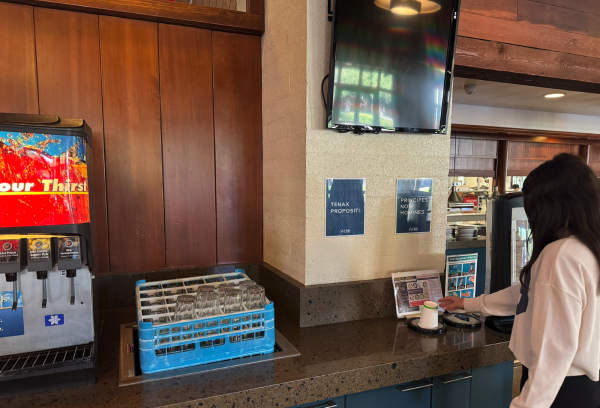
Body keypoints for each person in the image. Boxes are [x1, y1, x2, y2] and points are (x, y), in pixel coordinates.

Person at [439, 153, 600, 408]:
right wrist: (470, 304)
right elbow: (528, 294)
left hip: (557, 390)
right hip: (583, 388)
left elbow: (553, 351)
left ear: (553, 207)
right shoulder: (587, 248)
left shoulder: (560, 256)